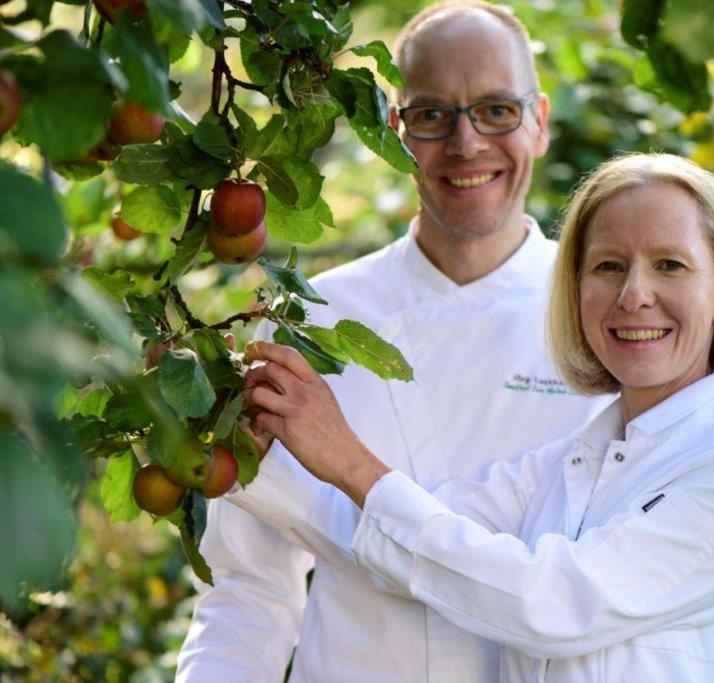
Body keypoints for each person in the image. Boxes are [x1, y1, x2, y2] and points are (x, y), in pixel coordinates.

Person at [232, 153, 714, 682]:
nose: (635, 294)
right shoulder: (572, 463)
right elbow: (396, 543)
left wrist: (348, 458)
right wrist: (237, 458)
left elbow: (550, 606)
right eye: (609, 266)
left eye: (669, 265)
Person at [176, 2, 610, 680]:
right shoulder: (312, 322)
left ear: (541, 122)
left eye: (497, 109)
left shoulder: (610, 324)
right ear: (395, 129)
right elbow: (248, 589)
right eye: (432, 114)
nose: (467, 144)